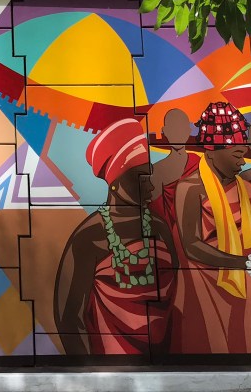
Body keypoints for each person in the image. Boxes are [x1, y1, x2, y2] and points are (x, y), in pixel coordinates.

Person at [169, 102, 251, 354]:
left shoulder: (247, 190)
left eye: (244, 155)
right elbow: (192, 246)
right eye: (236, 156)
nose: (242, 162)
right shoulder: (190, 188)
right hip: (206, 286)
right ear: (211, 152)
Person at [54, 118, 176, 355]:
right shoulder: (88, 238)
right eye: (140, 177)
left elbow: (176, 300)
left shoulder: (159, 227)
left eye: (149, 175)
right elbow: (70, 319)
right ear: (115, 184)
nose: (150, 185)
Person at [148, 108, 199, 243]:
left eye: (182, 127)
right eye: (172, 128)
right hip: (169, 238)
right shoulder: (157, 170)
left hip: (199, 234)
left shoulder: (199, 164)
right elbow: (155, 213)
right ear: (164, 131)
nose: (177, 133)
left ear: (188, 131)